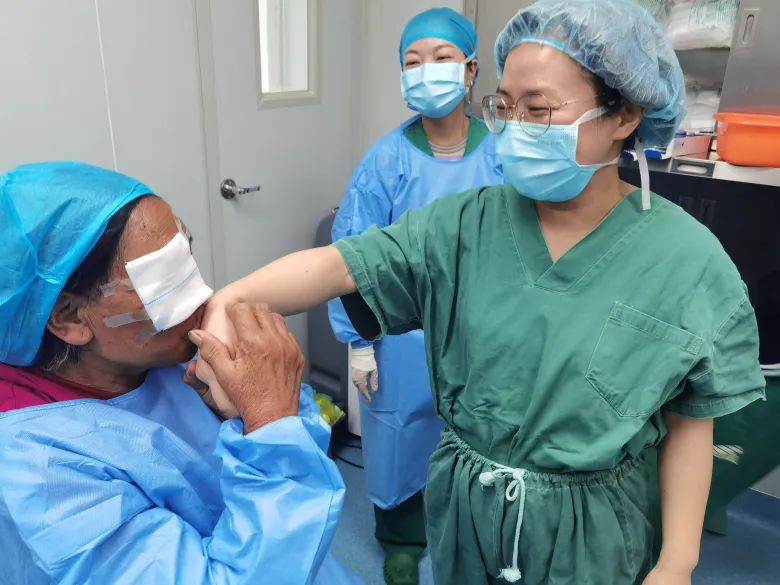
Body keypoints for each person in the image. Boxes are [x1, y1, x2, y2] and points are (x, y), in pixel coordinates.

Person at [199, 1, 766, 583]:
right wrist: (230, 299)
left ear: (624, 114)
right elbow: (341, 264)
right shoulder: (464, 223)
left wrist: (677, 562)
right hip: (468, 519)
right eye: (504, 106)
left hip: (592, 535)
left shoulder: (685, 260)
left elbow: (689, 419)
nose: (515, 127)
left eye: (538, 109)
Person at [0, 162, 361, 585]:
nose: (202, 296)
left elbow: (301, 477)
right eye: (164, 283)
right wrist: (270, 422)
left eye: (186, 257)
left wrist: (251, 412)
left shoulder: (155, 355)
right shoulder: (42, 473)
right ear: (69, 318)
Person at [328, 8, 503, 585]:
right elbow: (351, 255)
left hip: (482, 328)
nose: (427, 70)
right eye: (412, 61)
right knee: (399, 432)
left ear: (471, 69)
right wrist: (357, 342)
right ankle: (400, 540)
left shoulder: (502, 154)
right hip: (402, 333)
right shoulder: (386, 160)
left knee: (477, 433)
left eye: (442, 58)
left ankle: (468, 531)